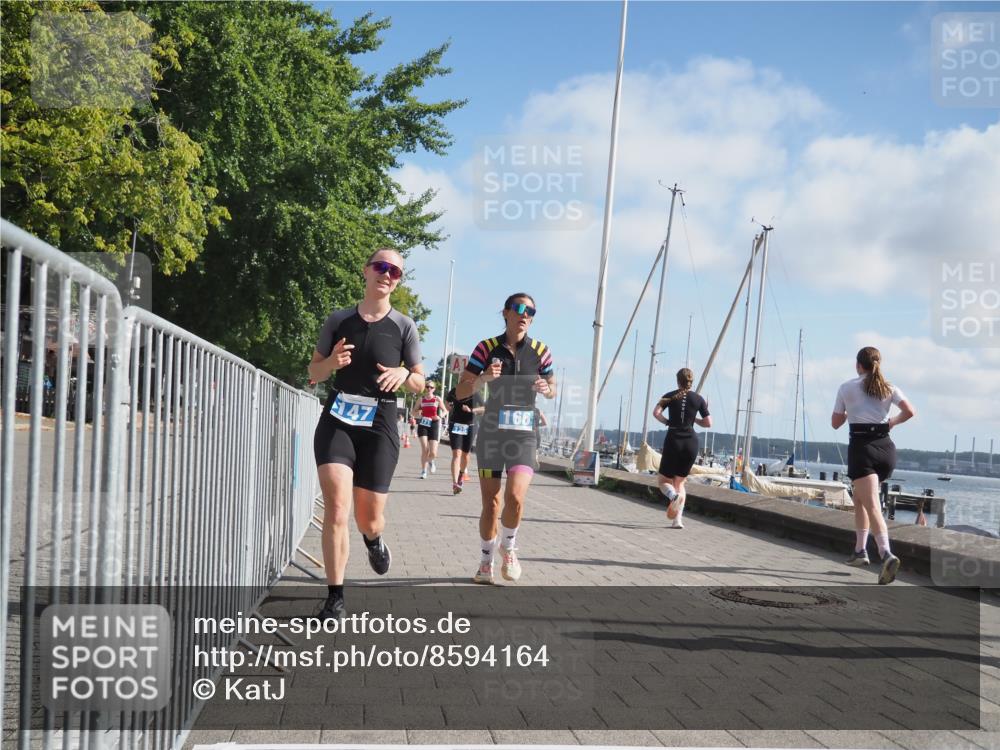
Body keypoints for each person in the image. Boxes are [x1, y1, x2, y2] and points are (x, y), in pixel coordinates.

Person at [308, 248, 425, 620]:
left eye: (396, 271)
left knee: (368, 518)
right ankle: (335, 597)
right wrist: (330, 363)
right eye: (381, 267)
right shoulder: (338, 320)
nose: (387, 274)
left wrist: (406, 375)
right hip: (338, 419)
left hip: (380, 425)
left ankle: (373, 541)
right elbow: (314, 373)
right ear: (366, 270)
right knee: (337, 509)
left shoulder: (404, 326)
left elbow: (421, 381)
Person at [456, 293, 556, 584]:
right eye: (520, 309)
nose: (526, 315)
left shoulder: (541, 351)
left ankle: (509, 547)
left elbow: (552, 387)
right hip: (491, 435)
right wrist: (484, 378)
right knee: (492, 504)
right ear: (506, 312)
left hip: (524, 434)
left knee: (515, 498)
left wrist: (546, 390)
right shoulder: (486, 348)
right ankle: (486, 561)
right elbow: (461, 391)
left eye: (532, 311)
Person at [832, 346, 915, 585]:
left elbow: (836, 423)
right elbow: (910, 411)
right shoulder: (889, 387)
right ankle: (859, 551)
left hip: (862, 450)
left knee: (872, 506)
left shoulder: (846, 387)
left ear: (858, 365)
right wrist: (892, 422)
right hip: (886, 450)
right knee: (860, 497)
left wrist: (849, 411)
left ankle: (885, 553)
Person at [651, 368, 711, 529]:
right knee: (680, 482)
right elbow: (708, 423)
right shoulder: (699, 399)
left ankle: (673, 496)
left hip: (674, 440)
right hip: (691, 442)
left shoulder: (669, 395)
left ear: (678, 381)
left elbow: (656, 413)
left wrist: (667, 422)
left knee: (664, 481)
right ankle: (677, 520)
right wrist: (694, 420)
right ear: (691, 381)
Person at [444, 385, 484, 494]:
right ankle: (455, 483)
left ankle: (461, 474)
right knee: (456, 453)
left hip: (470, 425)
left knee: (466, 455)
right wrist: (448, 407)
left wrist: (471, 410)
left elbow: (484, 408)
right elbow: (447, 402)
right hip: (455, 424)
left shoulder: (475, 391)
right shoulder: (455, 390)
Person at [412, 381, 445, 478]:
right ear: (425, 388)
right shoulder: (421, 399)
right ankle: (424, 471)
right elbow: (413, 411)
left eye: (431, 387)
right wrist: (418, 414)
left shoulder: (437, 399)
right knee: (425, 449)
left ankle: (431, 461)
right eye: (427, 387)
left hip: (434, 424)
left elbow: (445, 410)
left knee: (433, 452)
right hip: (423, 423)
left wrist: (440, 416)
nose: (429, 389)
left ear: (434, 389)